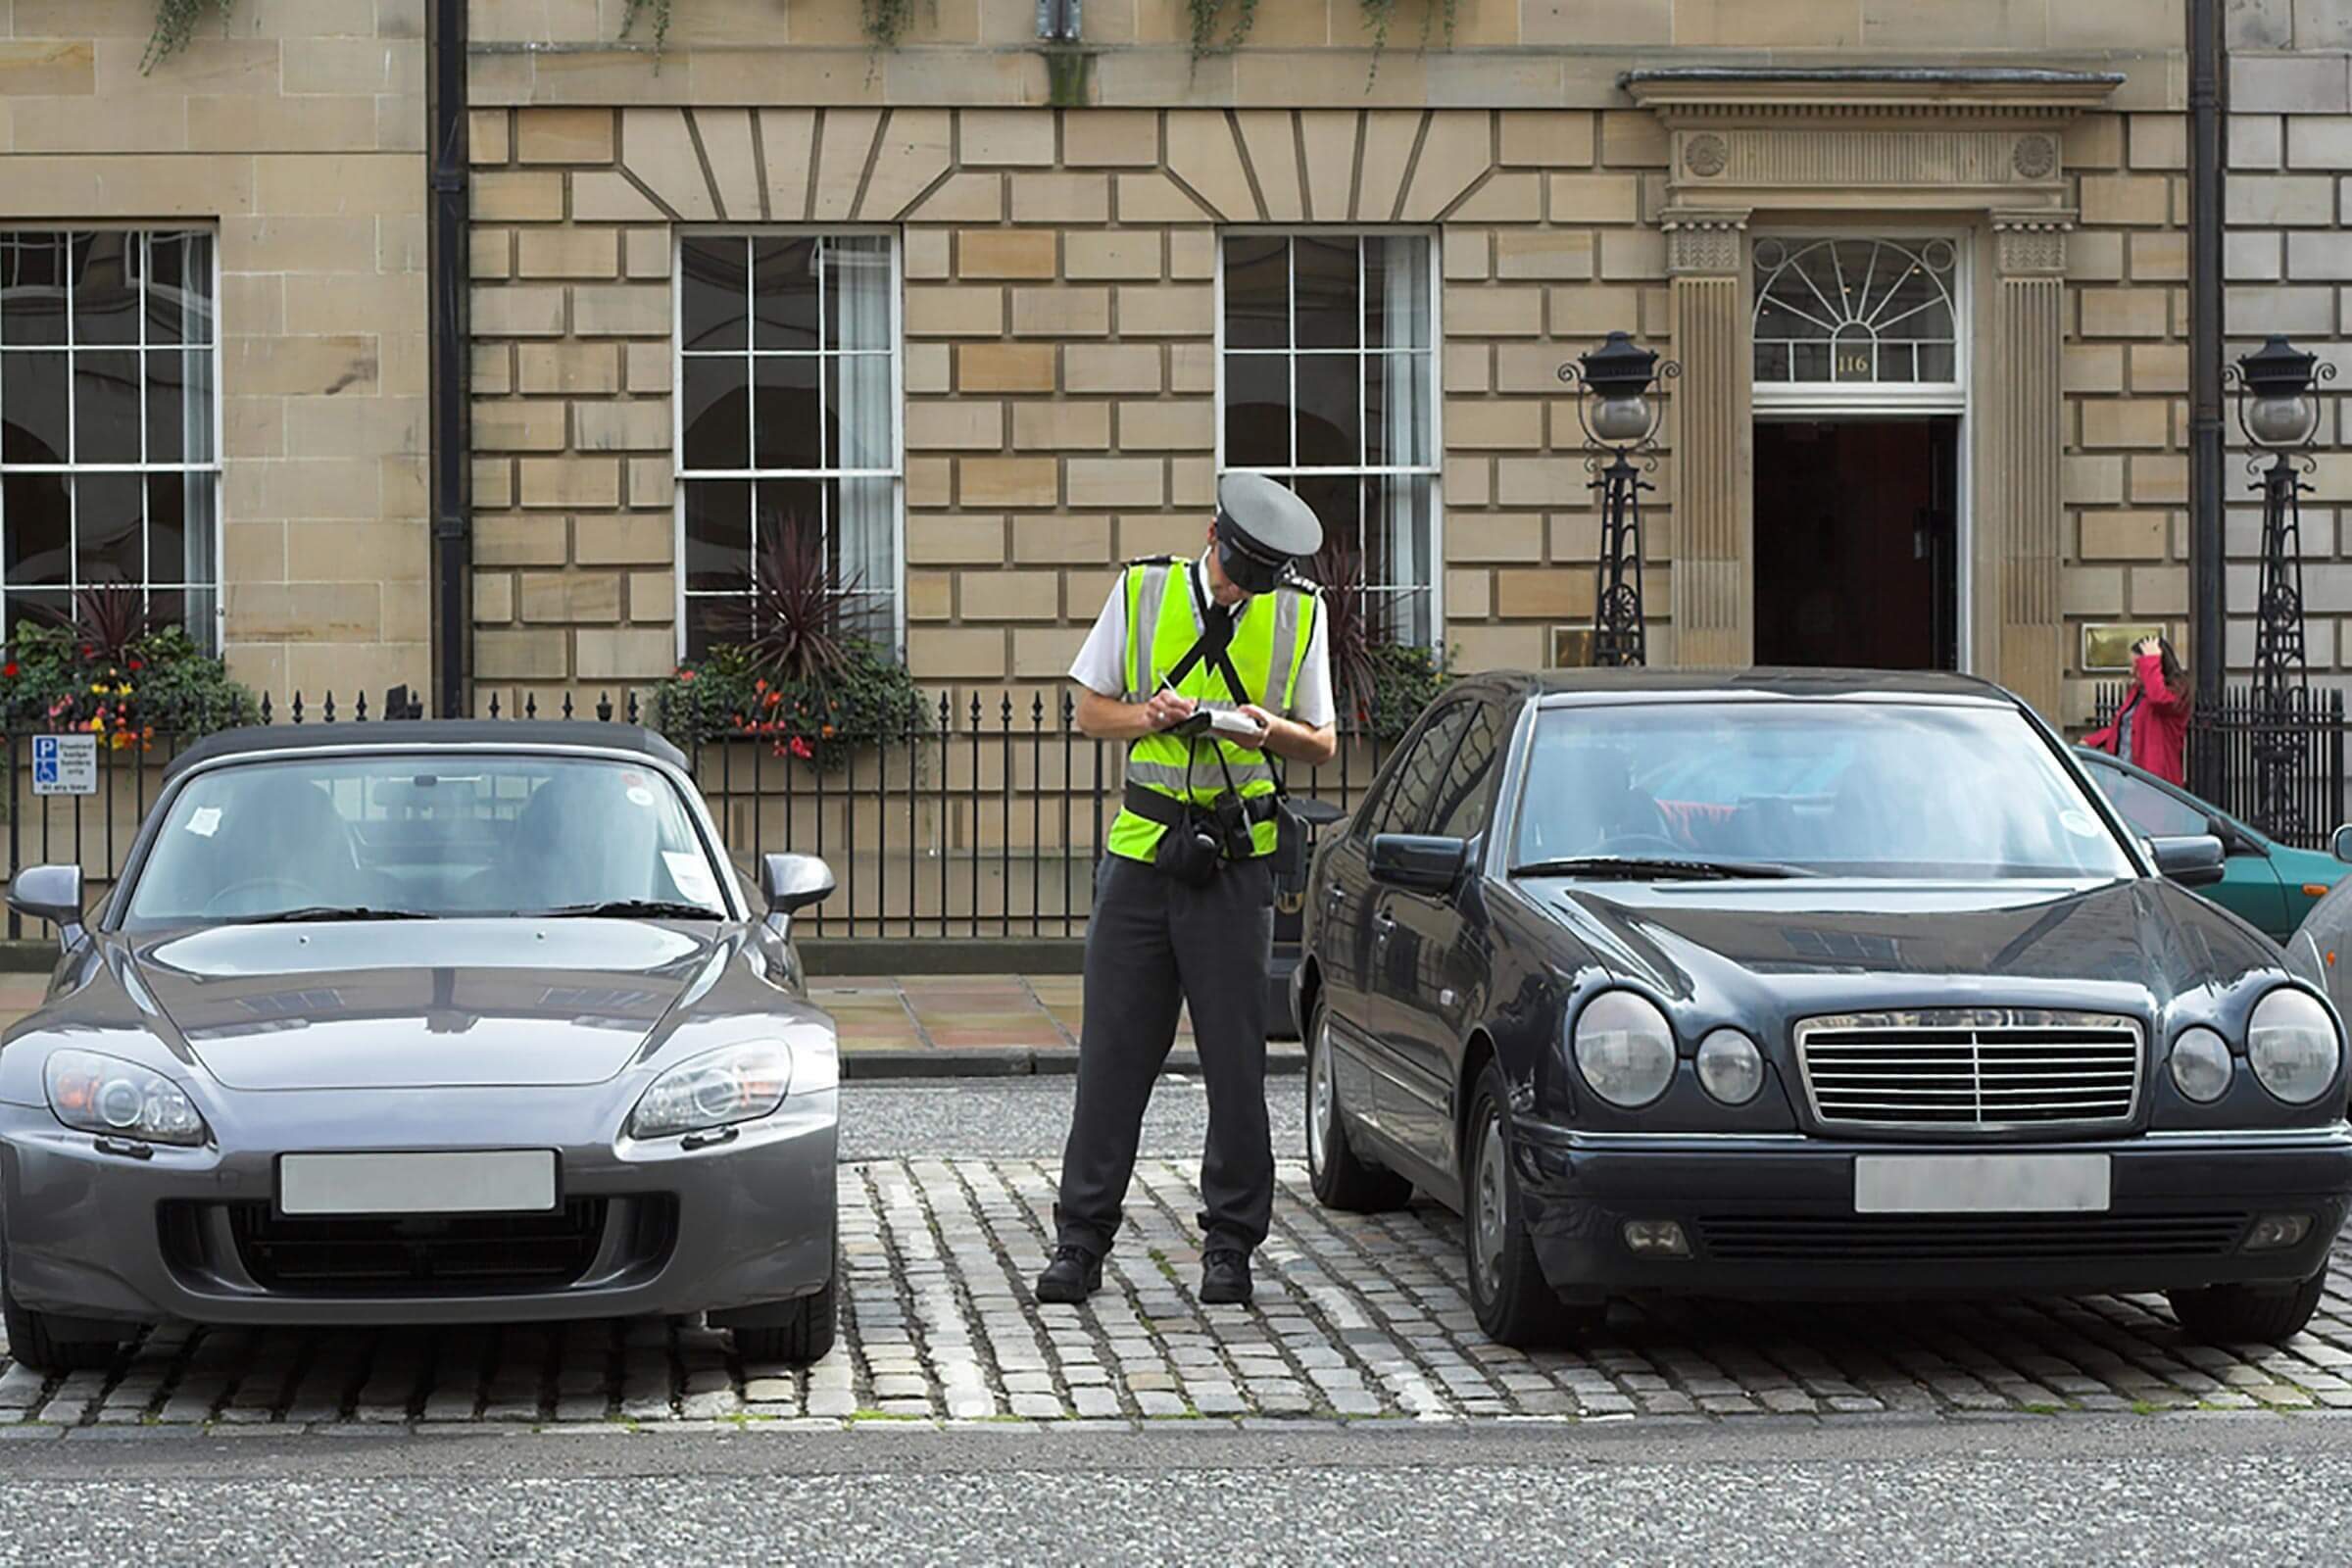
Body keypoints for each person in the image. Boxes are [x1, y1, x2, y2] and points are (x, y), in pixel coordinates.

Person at [1038, 472, 1338, 1308]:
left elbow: (1322, 742)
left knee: (1236, 1062)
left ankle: (1231, 1245)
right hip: (1141, 854)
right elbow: (1090, 712)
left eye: (1260, 575)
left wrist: (1261, 728)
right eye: (1238, 566)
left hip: (1236, 860)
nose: (1243, 586)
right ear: (1213, 536)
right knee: (1112, 1056)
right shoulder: (1140, 591)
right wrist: (1154, 718)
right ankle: (1080, 1239)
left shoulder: (1298, 614)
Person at [2084, 634, 2192, 787]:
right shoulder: (2138, 692)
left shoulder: (2174, 694)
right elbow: (2127, 726)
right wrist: (2094, 740)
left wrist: (2151, 660)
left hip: (2153, 784)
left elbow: (2159, 699)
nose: (2132, 672)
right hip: (2125, 780)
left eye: (2138, 666)